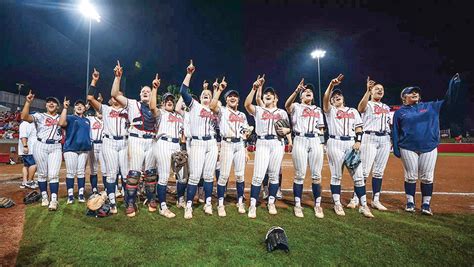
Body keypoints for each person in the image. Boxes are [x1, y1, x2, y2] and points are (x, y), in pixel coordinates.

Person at [392, 73, 462, 215]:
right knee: (410, 176)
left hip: (429, 146)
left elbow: (449, 101)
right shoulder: (399, 113)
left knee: (427, 177)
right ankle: (410, 202)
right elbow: (395, 131)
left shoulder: (431, 106)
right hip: (407, 147)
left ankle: (426, 204)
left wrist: (453, 85)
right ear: (404, 97)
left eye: (417, 92)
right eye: (411, 92)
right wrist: (396, 147)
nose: (415, 93)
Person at [111, 61, 159, 217]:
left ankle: (152, 199)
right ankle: (130, 202)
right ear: (139, 94)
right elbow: (115, 95)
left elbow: (154, 110)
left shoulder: (156, 108)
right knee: (134, 173)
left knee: (151, 173)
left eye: (148, 91)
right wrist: (117, 77)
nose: (145, 92)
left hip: (151, 140)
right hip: (136, 138)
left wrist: (154, 89)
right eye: (143, 91)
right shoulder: (132, 104)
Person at [322, 74, 374, 218]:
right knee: (336, 176)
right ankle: (337, 204)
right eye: (334, 96)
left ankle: (363, 206)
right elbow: (325, 99)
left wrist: (358, 141)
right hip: (335, 143)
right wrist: (331, 86)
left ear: (343, 98)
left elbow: (359, 128)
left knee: (358, 176)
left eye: (339, 95)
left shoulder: (353, 111)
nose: (336, 97)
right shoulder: (330, 111)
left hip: (351, 143)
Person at [244, 75, 290, 218]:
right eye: (266, 94)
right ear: (263, 98)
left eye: (271, 94)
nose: (268, 95)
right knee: (258, 176)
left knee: (274, 175)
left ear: (276, 98)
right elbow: (247, 105)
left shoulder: (282, 112)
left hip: (277, 143)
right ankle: (253, 205)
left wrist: (287, 131)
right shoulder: (259, 110)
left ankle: (271, 202)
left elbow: (288, 128)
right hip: (262, 142)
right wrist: (254, 89)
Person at [179, 60, 219, 219]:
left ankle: (208, 203)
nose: (206, 97)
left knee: (209, 176)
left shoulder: (215, 110)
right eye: (204, 95)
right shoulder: (193, 105)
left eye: (208, 96)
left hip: (211, 142)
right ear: (200, 97)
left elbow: (218, 103)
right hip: (197, 142)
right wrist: (189, 73)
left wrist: (216, 91)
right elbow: (183, 91)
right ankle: (188, 206)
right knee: (195, 175)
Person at [347, 77, 392, 211]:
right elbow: (360, 108)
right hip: (369, 137)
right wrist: (367, 91)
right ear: (371, 91)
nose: (380, 90)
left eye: (382, 89)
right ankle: (355, 198)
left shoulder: (386, 107)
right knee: (364, 171)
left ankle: (375, 200)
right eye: (377, 89)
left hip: (384, 139)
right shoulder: (368, 104)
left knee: (379, 172)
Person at [285, 79, 325, 218]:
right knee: (299, 174)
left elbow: (321, 129)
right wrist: (296, 90)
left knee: (316, 175)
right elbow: (287, 105)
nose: (308, 92)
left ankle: (318, 205)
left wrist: (322, 144)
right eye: (305, 91)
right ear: (301, 96)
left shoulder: (318, 110)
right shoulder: (296, 106)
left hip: (315, 140)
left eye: (310, 91)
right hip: (300, 139)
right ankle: (297, 204)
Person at [210, 78, 250, 216]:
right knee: (223, 176)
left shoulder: (243, 115)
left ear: (238, 101)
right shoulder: (221, 111)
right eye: (230, 97)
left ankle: (240, 201)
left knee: (240, 176)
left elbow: (245, 134)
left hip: (239, 144)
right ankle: (221, 204)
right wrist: (219, 90)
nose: (233, 98)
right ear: (226, 100)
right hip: (226, 143)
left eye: (235, 97)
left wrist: (245, 149)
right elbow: (212, 106)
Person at [21, 91, 62, 211]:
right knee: (43, 174)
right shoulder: (39, 116)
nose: (51, 103)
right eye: (49, 102)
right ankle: (44, 196)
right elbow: (24, 117)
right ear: (45, 105)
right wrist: (28, 102)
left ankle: (54, 200)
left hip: (56, 146)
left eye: (54, 102)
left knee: (54, 174)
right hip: (40, 145)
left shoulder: (61, 117)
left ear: (58, 106)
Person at [153, 92, 185, 218]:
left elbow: (183, 133)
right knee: (164, 176)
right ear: (163, 103)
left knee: (182, 176)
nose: (170, 101)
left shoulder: (180, 116)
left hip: (177, 145)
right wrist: (155, 89)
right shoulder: (161, 113)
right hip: (163, 143)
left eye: (172, 99)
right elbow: (152, 108)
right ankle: (162, 206)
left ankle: (180, 200)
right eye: (167, 100)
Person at [59, 97, 92, 204]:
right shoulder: (70, 117)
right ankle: (70, 195)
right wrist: (64, 108)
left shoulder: (87, 120)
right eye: (77, 105)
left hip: (84, 150)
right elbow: (61, 123)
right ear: (74, 108)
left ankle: (81, 194)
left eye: (81, 105)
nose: (79, 106)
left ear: (85, 108)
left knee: (81, 172)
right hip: (71, 149)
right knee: (71, 172)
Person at [18, 118, 37, 189]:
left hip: (29, 148)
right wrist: (25, 146)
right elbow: (23, 136)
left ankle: (24, 182)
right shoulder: (25, 124)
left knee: (26, 165)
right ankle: (29, 181)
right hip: (29, 149)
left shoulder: (29, 124)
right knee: (34, 164)